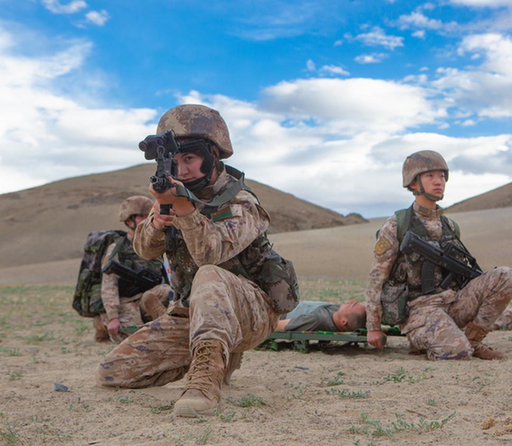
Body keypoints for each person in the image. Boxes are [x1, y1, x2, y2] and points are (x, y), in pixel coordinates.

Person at [96, 104, 298, 417]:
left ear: (213, 154)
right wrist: (159, 220)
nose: (183, 170)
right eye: (174, 162)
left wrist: (187, 213)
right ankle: (216, 353)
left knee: (209, 273)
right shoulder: (174, 195)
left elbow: (211, 254)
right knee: (113, 372)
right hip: (191, 313)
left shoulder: (241, 201)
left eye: (189, 158)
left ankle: (205, 382)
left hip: (249, 312)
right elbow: (145, 252)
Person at [364, 150, 512, 360]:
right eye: (430, 176)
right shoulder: (396, 225)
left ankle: (473, 340)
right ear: (413, 183)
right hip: (418, 310)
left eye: (442, 176)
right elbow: (376, 277)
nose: (439, 182)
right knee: (457, 352)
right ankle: (435, 339)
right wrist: (373, 327)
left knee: (506, 276)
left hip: (452, 302)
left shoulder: (450, 226)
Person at [93, 196, 171, 343]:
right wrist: (113, 317)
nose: (147, 219)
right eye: (142, 216)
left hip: (146, 297)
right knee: (135, 340)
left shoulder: (157, 245)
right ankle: (102, 322)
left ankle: (162, 323)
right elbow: (109, 285)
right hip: (125, 302)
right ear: (129, 221)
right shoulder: (117, 249)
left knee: (166, 291)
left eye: (149, 215)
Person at [275, 300, 367, 332]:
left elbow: (277, 325)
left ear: (344, 322)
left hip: (278, 313)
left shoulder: (318, 319)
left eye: (352, 305)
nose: (351, 301)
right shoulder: (339, 313)